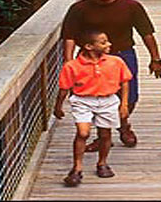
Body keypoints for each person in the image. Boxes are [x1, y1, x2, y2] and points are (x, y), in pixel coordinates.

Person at [61, 0, 161, 150]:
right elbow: (69, 36)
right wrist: (69, 61)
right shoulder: (79, 8)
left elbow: (146, 33)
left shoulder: (131, 6)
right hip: (90, 58)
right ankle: (104, 135)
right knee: (94, 97)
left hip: (122, 55)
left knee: (130, 96)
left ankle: (123, 124)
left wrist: (155, 58)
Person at [54, 30, 132, 187]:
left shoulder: (116, 61)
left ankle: (102, 163)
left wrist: (124, 104)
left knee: (105, 134)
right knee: (83, 132)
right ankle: (77, 168)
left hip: (107, 100)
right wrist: (58, 106)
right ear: (89, 46)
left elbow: (125, 81)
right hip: (83, 100)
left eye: (107, 41)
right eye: (103, 42)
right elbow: (64, 88)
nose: (109, 44)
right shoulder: (72, 66)